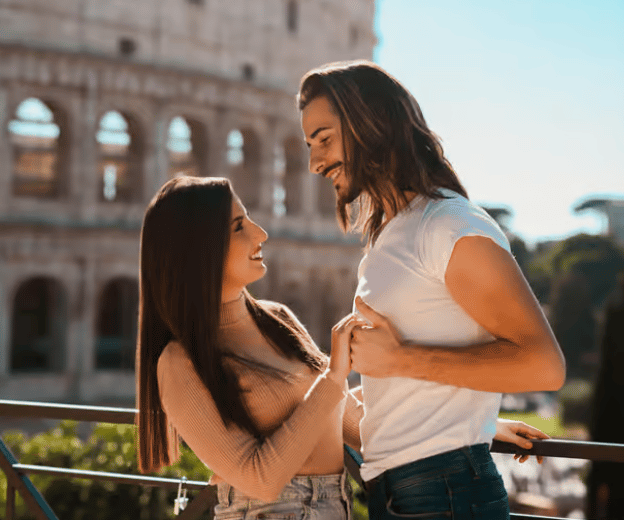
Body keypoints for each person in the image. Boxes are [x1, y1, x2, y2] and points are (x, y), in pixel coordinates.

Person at [135, 175, 549, 519]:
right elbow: (258, 477)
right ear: (196, 250)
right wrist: (334, 376)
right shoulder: (178, 362)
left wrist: (472, 424)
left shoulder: (276, 317)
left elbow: (352, 422)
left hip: (339, 508)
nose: (261, 233)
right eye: (239, 226)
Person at [298, 60, 566, 520]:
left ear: (372, 125)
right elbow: (409, 387)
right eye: (309, 145)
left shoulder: (448, 226)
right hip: (403, 490)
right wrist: (479, 422)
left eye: (324, 139)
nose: (314, 162)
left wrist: (402, 359)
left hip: (443, 493)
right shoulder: (391, 235)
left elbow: (544, 366)